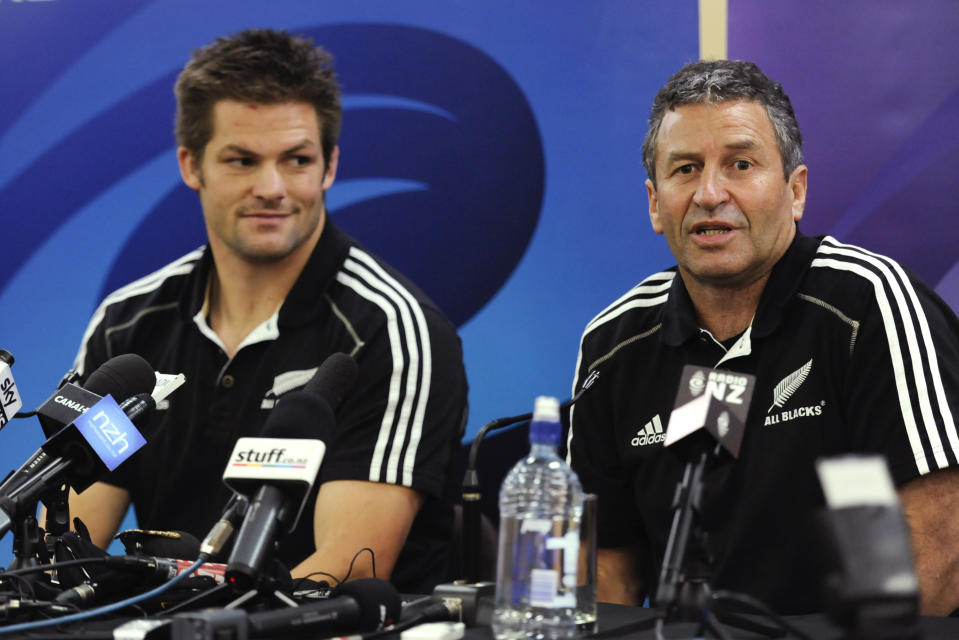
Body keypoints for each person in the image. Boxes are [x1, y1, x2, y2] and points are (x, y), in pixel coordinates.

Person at [67, 29, 468, 594]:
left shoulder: (391, 330)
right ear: (191, 165)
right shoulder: (128, 324)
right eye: (242, 160)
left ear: (329, 167)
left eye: (297, 159)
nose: (272, 187)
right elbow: (69, 542)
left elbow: (346, 568)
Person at [565, 59, 959, 615]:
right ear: (656, 204)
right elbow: (608, 569)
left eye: (740, 164)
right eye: (684, 169)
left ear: (795, 191)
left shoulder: (865, 308)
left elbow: (937, 550)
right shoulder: (614, 344)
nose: (708, 193)